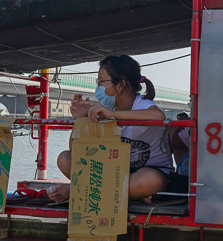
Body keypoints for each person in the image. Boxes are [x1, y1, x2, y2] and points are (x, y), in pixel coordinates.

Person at [48, 55, 172, 202]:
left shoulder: (141, 104)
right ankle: (129, 194)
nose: (98, 87)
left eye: (101, 81)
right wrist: (80, 120)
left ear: (120, 85)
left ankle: (76, 190)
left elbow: (158, 116)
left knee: (150, 180)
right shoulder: (103, 109)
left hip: (150, 171)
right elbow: (78, 152)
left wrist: (113, 115)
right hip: (113, 172)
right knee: (65, 158)